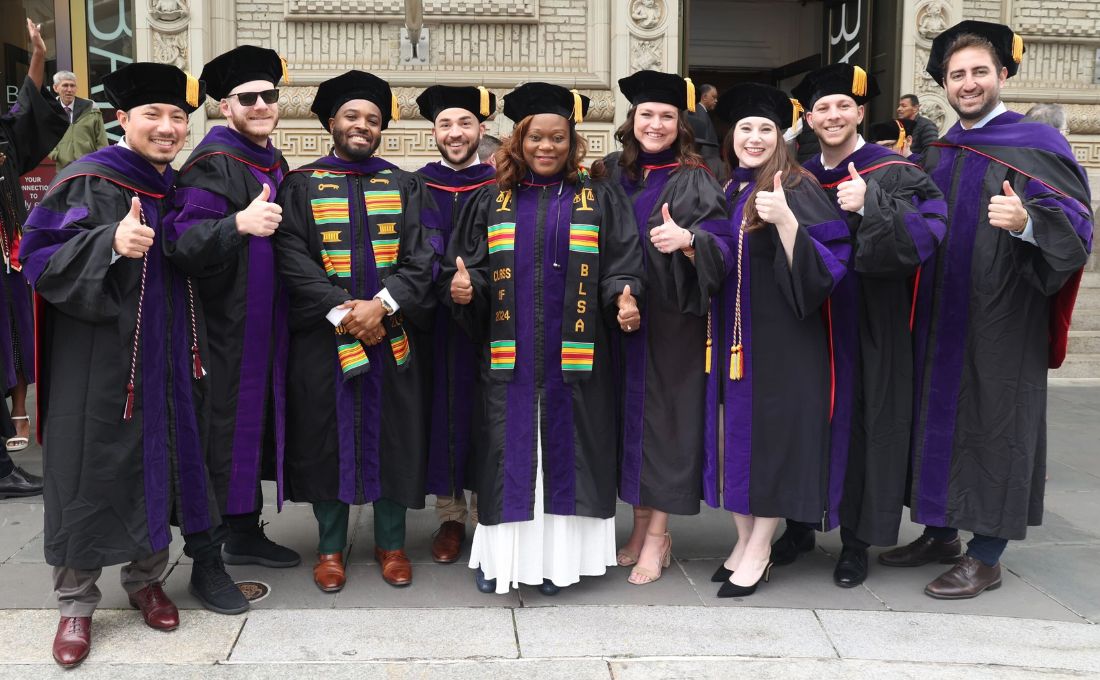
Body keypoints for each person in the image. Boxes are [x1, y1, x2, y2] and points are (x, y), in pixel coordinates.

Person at [20, 62, 222, 668]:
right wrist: (107, 243)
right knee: (88, 466)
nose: (167, 127)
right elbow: (36, 254)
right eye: (153, 116)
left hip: (172, 356)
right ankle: (76, 604)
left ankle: (146, 580)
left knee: (163, 460)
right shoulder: (90, 180)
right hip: (99, 361)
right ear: (123, 120)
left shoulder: (179, 186)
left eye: (177, 117)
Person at [881, 21, 1092, 599]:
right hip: (937, 315)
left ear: (1002, 74)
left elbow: (1079, 227)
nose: (968, 83)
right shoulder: (939, 150)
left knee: (996, 423)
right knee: (934, 417)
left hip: (1004, 316)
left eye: (979, 72)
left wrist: (1029, 224)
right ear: (943, 86)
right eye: (957, 75)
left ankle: (988, 554)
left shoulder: (1036, 145)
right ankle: (940, 531)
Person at [442, 82, 644, 595]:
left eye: (557, 138)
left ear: (572, 142)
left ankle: (559, 566)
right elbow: (473, 269)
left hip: (575, 359)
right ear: (518, 142)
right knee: (506, 453)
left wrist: (624, 293)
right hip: (508, 359)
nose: (546, 147)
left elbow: (621, 261)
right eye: (536, 138)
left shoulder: (597, 198)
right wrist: (466, 289)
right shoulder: (492, 199)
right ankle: (503, 562)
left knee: (569, 452)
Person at [274, 70, 436, 591]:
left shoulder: (404, 183)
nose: (362, 126)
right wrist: (341, 311)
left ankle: (391, 545)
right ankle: (329, 547)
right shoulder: (300, 184)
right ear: (330, 122)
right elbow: (291, 256)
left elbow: (424, 255)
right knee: (328, 439)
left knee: (394, 436)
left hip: (391, 334)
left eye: (372, 118)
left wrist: (381, 306)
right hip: (327, 340)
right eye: (351, 116)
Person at [793, 64, 947, 587]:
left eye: (843, 106)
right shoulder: (798, 172)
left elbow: (931, 233)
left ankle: (855, 543)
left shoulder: (894, 171)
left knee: (864, 426)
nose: (833, 116)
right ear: (809, 118)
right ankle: (798, 526)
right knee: (804, 422)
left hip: (870, 324)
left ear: (859, 113)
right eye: (822, 108)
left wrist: (873, 204)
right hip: (809, 323)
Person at [164, 45, 299, 616]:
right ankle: (206, 562)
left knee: (256, 430)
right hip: (221, 332)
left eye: (270, 95)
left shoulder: (270, 160)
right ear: (225, 107)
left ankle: (244, 529)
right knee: (220, 438)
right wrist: (236, 225)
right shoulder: (211, 165)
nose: (263, 104)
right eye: (249, 98)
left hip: (265, 328)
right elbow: (181, 244)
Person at [705, 83, 850, 598]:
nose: (755, 136)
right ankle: (744, 541)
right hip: (737, 341)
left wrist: (787, 221)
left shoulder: (798, 185)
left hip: (785, 341)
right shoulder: (731, 188)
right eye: (745, 127)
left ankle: (762, 546)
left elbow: (832, 266)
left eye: (766, 128)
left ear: (782, 137)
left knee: (768, 444)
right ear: (732, 137)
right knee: (735, 442)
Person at [603, 70, 731, 585]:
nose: (654, 124)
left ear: (681, 124)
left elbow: (721, 244)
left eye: (666, 116)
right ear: (631, 119)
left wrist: (689, 240)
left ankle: (658, 535)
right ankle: (636, 529)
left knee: (665, 427)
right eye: (646, 114)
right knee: (628, 423)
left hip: (673, 320)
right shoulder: (610, 172)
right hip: (617, 317)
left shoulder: (694, 175)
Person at [415, 85, 498, 564]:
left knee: (487, 413)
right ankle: (450, 516)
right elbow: (411, 252)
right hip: (437, 323)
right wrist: (444, 288)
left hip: (489, 320)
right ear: (434, 133)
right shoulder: (417, 184)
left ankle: (489, 510)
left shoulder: (499, 186)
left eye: (465, 123)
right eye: (446, 124)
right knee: (443, 411)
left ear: (480, 130)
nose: (455, 132)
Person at [0, 19, 67, 487]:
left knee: (15, 345)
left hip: (5, 259)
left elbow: (27, 108)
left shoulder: (4, 138)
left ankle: (4, 463)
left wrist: (39, 55)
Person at [47, 70, 108, 170]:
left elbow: (101, 140)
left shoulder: (90, 107)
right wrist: (55, 154)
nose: (69, 90)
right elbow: (44, 136)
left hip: (88, 166)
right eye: (65, 85)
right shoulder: (50, 110)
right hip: (62, 168)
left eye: (72, 86)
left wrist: (100, 162)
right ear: (55, 88)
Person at [684, 83, 723, 179]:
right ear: (704, 97)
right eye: (713, 97)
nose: (716, 100)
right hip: (707, 162)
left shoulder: (701, 112)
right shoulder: (697, 112)